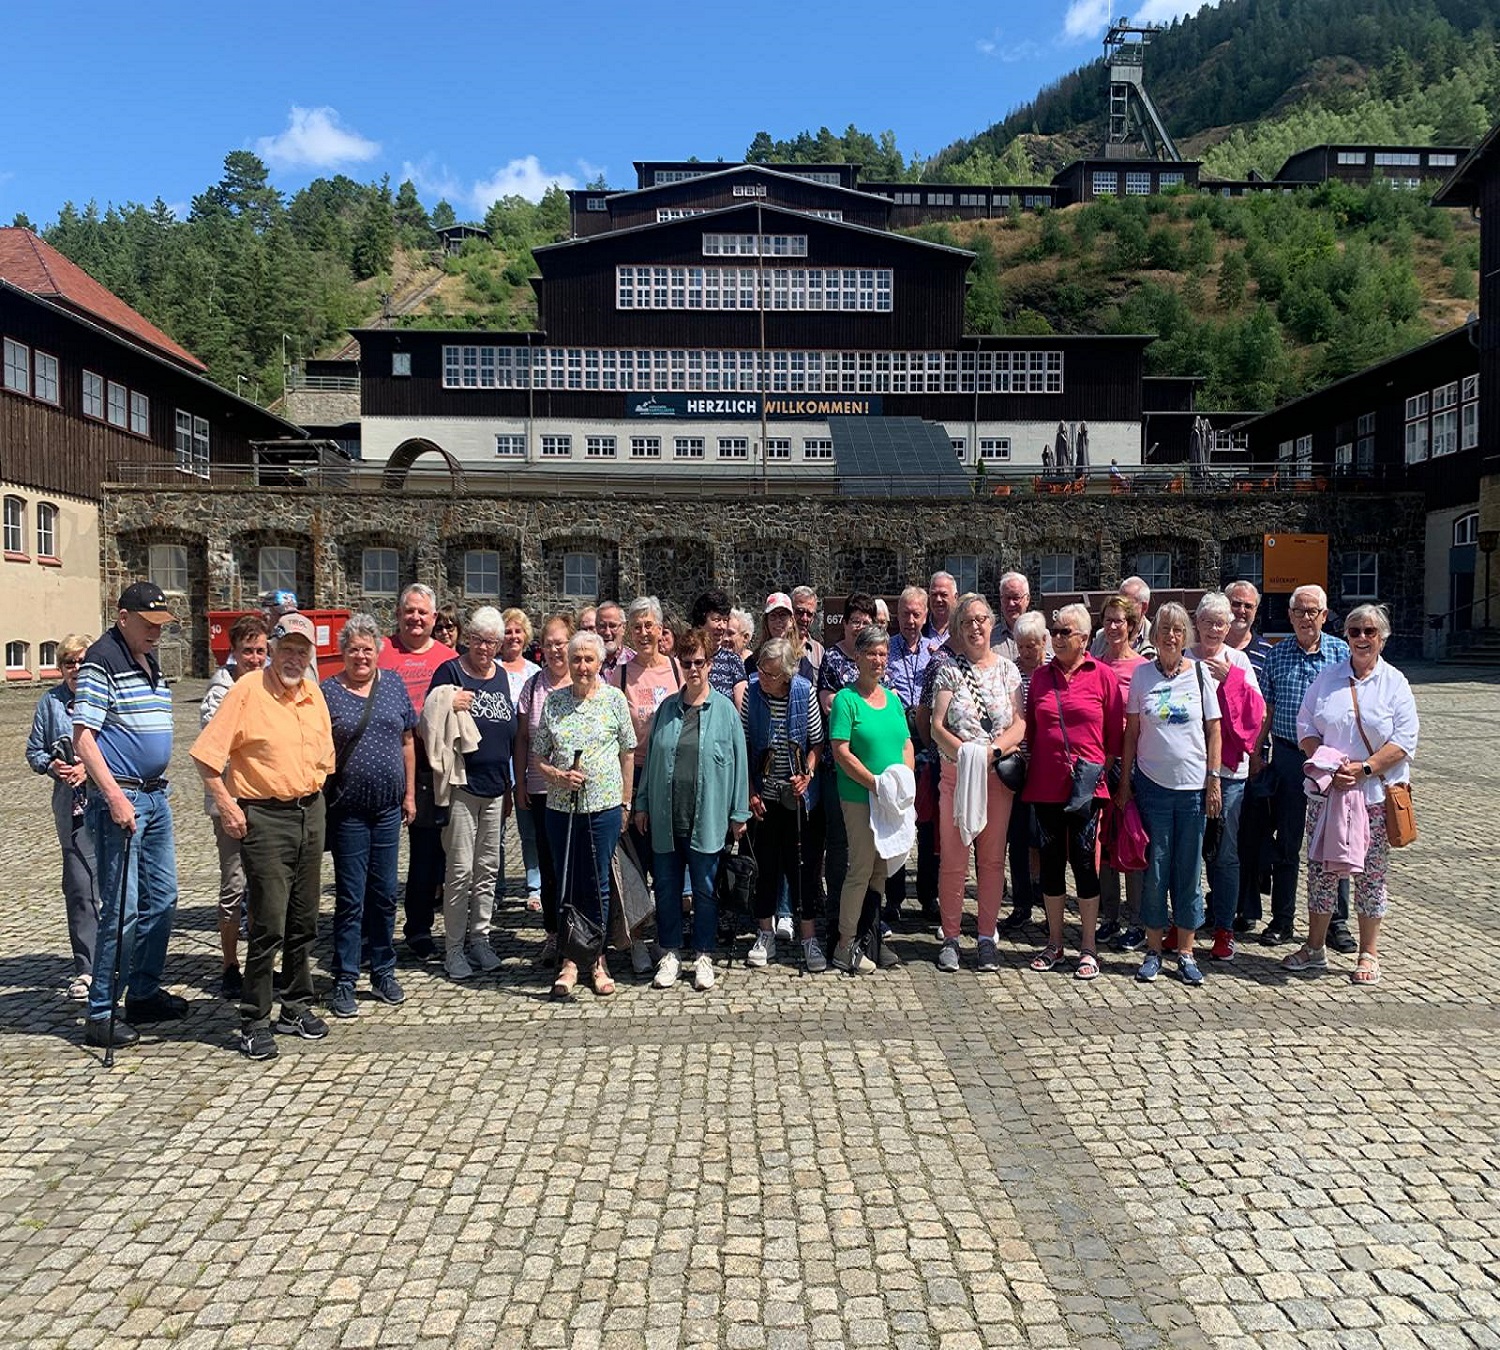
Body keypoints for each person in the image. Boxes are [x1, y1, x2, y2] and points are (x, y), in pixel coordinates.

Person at [191, 613, 335, 1060]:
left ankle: (296, 1004)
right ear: (271, 649)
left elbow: (323, 758)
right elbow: (206, 757)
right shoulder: (247, 691)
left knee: (304, 918)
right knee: (268, 923)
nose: (294, 657)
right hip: (265, 817)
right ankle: (254, 1017)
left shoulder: (313, 693)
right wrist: (229, 805)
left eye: (302, 650)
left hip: (310, 810)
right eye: (286, 648)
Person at [72, 583, 184, 1050]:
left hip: (156, 797)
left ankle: (142, 991)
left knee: (164, 898)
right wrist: (114, 796)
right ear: (123, 617)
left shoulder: (146, 657)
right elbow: (84, 738)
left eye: (162, 624)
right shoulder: (102, 659)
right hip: (125, 800)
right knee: (124, 908)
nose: (157, 632)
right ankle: (101, 1012)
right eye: (149, 623)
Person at [1282, 604, 1418, 985]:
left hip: (1374, 794)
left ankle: (1368, 952)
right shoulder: (1328, 679)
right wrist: (1323, 760)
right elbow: (1305, 723)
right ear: (1346, 636)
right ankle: (1314, 947)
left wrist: (1365, 768)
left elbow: (1405, 740)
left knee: (1370, 875)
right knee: (1322, 873)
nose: (1361, 638)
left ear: (1382, 638)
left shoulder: (1395, 683)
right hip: (1329, 794)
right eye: (1355, 631)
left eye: (1369, 632)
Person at [637, 627, 751, 992]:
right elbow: (651, 759)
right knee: (667, 889)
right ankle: (670, 953)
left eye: (699, 662)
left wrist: (738, 814)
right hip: (667, 817)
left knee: (704, 890)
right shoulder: (667, 709)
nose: (693, 670)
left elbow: (739, 764)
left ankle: (703, 955)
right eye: (686, 663)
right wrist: (641, 804)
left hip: (709, 818)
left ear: (710, 664)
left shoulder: (726, 713)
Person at [1115, 603, 1222, 986]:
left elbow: (1214, 730)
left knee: (1189, 871)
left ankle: (1188, 952)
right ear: (1154, 635)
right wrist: (1125, 783)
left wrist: (1213, 779)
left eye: (1177, 630)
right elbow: (1130, 734)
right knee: (1155, 869)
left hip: (1193, 788)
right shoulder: (1142, 676)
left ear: (1186, 635)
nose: (1171, 637)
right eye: (1164, 630)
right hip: (1152, 786)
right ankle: (1153, 949)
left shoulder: (1199, 675)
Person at [321, 614, 417, 1017]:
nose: (361, 656)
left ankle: (383, 970)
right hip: (348, 810)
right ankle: (344, 977)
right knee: (351, 897)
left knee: (384, 895)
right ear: (343, 653)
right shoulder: (328, 692)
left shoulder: (393, 684)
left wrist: (410, 794)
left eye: (367, 649)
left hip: (388, 809)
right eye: (354, 649)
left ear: (378, 651)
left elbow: (408, 740)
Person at [532, 631, 637, 998]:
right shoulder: (554, 702)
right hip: (562, 810)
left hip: (604, 808)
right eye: (576, 659)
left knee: (598, 884)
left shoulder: (613, 700)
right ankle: (569, 959)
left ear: (599, 663)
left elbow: (627, 753)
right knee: (566, 883)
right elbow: (539, 755)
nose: (582, 666)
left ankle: (596, 958)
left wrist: (626, 802)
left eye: (589, 660)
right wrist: (558, 776)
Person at [1023, 603, 1122, 981]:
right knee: (1050, 864)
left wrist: (1101, 772)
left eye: (1065, 632)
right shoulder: (1041, 678)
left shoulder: (1103, 676)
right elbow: (1032, 730)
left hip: (1087, 788)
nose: (1056, 637)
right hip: (1046, 786)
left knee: (1083, 862)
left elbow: (1114, 736)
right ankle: (1053, 942)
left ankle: (1088, 946)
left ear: (1083, 638)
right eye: (1055, 631)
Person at [929, 595, 1024, 973]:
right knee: (953, 861)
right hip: (957, 777)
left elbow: (1020, 723)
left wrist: (992, 752)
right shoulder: (948, 672)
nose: (975, 627)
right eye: (967, 621)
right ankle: (951, 936)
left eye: (982, 619)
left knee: (991, 860)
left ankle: (986, 936)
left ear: (992, 624)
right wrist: (968, 753)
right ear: (957, 628)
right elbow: (937, 727)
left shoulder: (1008, 671)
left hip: (996, 778)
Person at [1256, 584, 1352, 950]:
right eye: (1299, 611)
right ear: (1290, 615)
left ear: (1325, 616)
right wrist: (1257, 752)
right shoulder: (1277, 657)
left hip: (1331, 760)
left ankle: (1336, 923)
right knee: (1287, 842)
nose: (1306, 618)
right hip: (1288, 758)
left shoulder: (1340, 654)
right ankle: (1281, 919)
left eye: (1313, 611)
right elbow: (1267, 709)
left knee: (1333, 842)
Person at [426, 607, 518, 981]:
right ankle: (453, 949)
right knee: (460, 870)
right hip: (463, 784)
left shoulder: (500, 677)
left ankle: (480, 939)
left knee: (488, 870)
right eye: (479, 639)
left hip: (496, 785)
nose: (485, 647)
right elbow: (427, 720)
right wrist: (448, 701)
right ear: (468, 639)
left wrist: (511, 785)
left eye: (491, 642)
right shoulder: (451, 671)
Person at [828, 624, 914, 975]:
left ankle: (871, 939)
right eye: (872, 654)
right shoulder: (846, 700)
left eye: (883, 654)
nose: (878, 660)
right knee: (861, 868)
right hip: (860, 796)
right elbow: (841, 752)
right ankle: (844, 944)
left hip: (891, 799)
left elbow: (906, 743)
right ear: (858, 657)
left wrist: (903, 781)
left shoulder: (892, 699)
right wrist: (876, 784)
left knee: (881, 870)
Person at [379, 583, 457, 961]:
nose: (415, 618)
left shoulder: (448, 658)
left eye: (423, 612)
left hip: (429, 766)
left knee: (426, 855)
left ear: (434, 617)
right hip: (382, 760)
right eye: (409, 611)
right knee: (378, 854)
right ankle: (371, 931)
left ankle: (419, 928)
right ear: (398, 614)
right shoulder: (380, 652)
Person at [743, 636, 827, 971]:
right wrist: (750, 791)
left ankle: (808, 937)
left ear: (787, 676)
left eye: (771, 674)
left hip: (797, 798)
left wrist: (806, 774)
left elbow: (817, 743)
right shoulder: (752, 692)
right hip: (764, 794)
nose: (763, 677)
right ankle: (764, 933)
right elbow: (746, 746)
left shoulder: (803, 691)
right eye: (761, 670)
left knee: (802, 867)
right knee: (765, 866)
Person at [1189, 591, 1265, 962]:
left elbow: (1256, 715)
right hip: (1188, 770)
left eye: (1222, 623)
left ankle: (1224, 927)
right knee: (1191, 851)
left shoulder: (1239, 661)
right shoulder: (1185, 658)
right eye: (1208, 622)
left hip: (1230, 772)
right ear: (1197, 624)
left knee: (1226, 852)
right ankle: (1188, 919)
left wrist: (1231, 680)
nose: (1215, 629)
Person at [200, 614, 270, 998]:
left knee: (263, 886)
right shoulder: (220, 691)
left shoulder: (269, 685)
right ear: (234, 652)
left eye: (261, 651)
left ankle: (260, 965)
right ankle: (229, 964)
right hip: (230, 802)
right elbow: (219, 749)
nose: (255, 658)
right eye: (248, 651)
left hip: (265, 800)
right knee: (234, 885)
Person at [26, 634, 99, 1002]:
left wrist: (90, 767)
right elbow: (34, 751)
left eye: (82, 661)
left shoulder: (104, 696)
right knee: (79, 887)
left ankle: (117, 960)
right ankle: (86, 968)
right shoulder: (50, 703)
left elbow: (120, 745)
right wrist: (51, 764)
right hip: (71, 808)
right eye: (69, 663)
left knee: (113, 886)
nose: (76, 669)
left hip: (108, 803)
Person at [818, 591, 880, 936]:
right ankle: (837, 915)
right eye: (855, 621)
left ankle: (868, 920)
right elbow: (829, 703)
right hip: (837, 764)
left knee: (873, 843)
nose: (859, 627)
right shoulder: (832, 658)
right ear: (844, 624)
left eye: (866, 622)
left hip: (873, 764)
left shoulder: (876, 659)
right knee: (839, 844)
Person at [514, 615, 574, 966]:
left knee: (576, 866)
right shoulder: (532, 687)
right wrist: (520, 782)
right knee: (550, 868)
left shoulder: (583, 682)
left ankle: (581, 934)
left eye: (561, 642)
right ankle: (553, 934)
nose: (555, 649)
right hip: (541, 791)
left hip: (579, 793)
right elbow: (523, 738)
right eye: (549, 643)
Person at [1095, 594, 1150, 950]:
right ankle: (1109, 915)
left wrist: (1124, 770)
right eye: (1109, 620)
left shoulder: (1143, 668)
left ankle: (1138, 920)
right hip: (1100, 765)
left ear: (1131, 626)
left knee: (1132, 841)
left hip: (1131, 765)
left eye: (1120, 621)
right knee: (1104, 843)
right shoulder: (1095, 664)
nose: (1114, 627)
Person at [886, 586, 941, 927]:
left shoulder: (936, 653)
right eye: (905, 613)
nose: (910, 620)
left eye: (916, 614)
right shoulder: (885, 650)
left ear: (925, 616)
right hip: (895, 742)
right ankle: (893, 898)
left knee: (929, 821)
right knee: (896, 818)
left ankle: (928, 895)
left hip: (928, 742)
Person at [1226, 580, 1275, 933]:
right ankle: (1222, 900)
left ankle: (1247, 906)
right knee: (1219, 834)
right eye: (1235, 604)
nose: (1240, 611)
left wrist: (1257, 751)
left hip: (1253, 759)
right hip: (1214, 759)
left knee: (1250, 836)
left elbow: (1265, 709)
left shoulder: (1265, 653)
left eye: (1248, 606)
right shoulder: (1205, 649)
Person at [999, 612, 1047, 933]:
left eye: (1032, 645)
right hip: (1017, 767)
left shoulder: (1053, 672)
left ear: (1044, 642)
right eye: (1021, 646)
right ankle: (1021, 904)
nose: (1027, 652)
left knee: (1045, 839)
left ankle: (1048, 899)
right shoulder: (1010, 673)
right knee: (1017, 837)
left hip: (1047, 770)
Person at [499, 608, 543, 911]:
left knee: (530, 830)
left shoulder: (533, 673)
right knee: (495, 831)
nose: (513, 637)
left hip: (528, 761)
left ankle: (534, 885)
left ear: (526, 636)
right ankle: (497, 887)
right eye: (507, 631)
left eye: (518, 631)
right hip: (500, 759)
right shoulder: (492, 669)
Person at [688, 588, 748, 706]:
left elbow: (741, 707)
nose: (721, 626)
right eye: (716, 620)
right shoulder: (686, 660)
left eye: (725, 620)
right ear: (701, 622)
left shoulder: (732, 661)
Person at [1091, 576, 1154, 659]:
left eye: (1128, 604)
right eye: (1119, 601)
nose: (1121, 607)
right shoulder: (1101, 638)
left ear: (1144, 607)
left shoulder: (1156, 641)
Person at [991, 571, 1040, 662]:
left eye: (1016, 598)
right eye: (1006, 598)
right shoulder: (990, 638)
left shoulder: (1043, 635)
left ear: (1027, 599)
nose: (1011, 603)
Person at [790, 586, 825, 683]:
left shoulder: (819, 651)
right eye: (800, 612)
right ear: (790, 611)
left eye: (809, 614)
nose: (804, 618)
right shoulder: (779, 645)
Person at [596, 601, 635, 674]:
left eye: (612, 626)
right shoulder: (587, 661)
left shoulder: (634, 662)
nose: (607, 632)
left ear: (623, 627)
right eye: (602, 626)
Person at [924, 571, 957, 643]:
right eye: (934, 594)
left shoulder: (964, 628)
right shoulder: (919, 628)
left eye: (943, 594)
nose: (938, 599)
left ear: (955, 597)